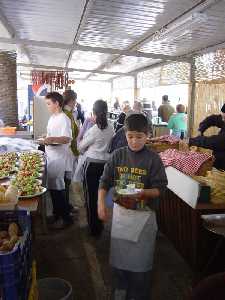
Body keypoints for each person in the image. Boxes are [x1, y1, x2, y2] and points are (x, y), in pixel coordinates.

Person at [98, 114, 168, 300]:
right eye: (130, 136)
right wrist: (101, 205)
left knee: (140, 264)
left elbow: (161, 189)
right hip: (121, 217)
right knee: (119, 261)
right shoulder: (118, 155)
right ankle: (120, 290)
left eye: (139, 137)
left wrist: (143, 193)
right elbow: (104, 182)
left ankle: (139, 294)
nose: (134, 141)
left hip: (144, 217)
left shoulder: (153, 159)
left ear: (148, 135)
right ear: (125, 134)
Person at [78, 100, 114, 236]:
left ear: (94, 112)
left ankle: (94, 228)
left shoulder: (93, 130)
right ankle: (100, 224)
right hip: (105, 165)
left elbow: (81, 147)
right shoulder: (111, 127)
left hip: (91, 165)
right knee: (102, 196)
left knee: (91, 197)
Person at [43, 92, 73, 228]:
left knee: (59, 190)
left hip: (59, 157)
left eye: (49, 103)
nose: (47, 106)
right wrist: (47, 137)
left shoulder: (64, 118)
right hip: (51, 156)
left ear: (56, 103)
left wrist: (52, 139)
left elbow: (67, 138)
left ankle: (66, 218)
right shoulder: (52, 118)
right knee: (53, 189)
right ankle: (56, 214)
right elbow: (51, 135)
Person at [186, 103, 225, 170]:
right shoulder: (223, 119)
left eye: (224, 118)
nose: (223, 120)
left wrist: (192, 141)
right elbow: (212, 119)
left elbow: (216, 142)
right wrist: (201, 130)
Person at [63, 89, 79, 212]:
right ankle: (66, 207)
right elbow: (72, 136)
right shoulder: (67, 115)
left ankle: (66, 206)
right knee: (66, 181)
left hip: (68, 152)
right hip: (68, 152)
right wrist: (76, 152)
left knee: (66, 180)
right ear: (71, 100)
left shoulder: (68, 113)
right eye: (75, 100)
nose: (75, 103)